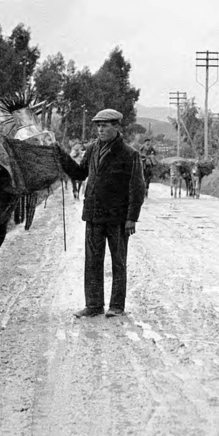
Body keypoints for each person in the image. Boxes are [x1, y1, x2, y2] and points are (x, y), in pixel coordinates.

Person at [64, 109, 146, 318]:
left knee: (118, 262)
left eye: (105, 125)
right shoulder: (91, 149)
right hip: (93, 215)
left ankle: (116, 306)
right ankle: (93, 305)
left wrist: (131, 218)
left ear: (116, 127)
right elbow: (80, 173)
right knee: (92, 261)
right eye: (98, 125)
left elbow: (136, 188)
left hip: (118, 218)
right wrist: (60, 155)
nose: (100, 129)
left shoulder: (130, 154)